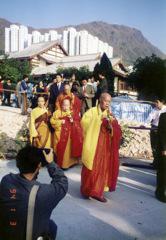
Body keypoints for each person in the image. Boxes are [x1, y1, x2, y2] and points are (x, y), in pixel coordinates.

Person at [0, 146, 68, 240]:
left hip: (6, 233)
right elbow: (62, 183)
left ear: (18, 163)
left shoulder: (6, 180)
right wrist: (51, 163)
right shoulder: (43, 193)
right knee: (52, 226)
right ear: (39, 165)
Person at [80, 93, 122, 202]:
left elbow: (117, 130)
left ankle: (97, 192)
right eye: (106, 101)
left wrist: (111, 127)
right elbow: (83, 125)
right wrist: (99, 121)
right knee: (90, 169)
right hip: (93, 145)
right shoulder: (92, 112)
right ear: (100, 100)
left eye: (109, 101)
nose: (107, 103)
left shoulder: (110, 115)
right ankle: (86, 190)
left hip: (105, 148)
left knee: (102, 169)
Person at [50, 98, 83, 169]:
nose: (65, 107)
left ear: (70, 105)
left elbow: (78, 124)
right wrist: (60, 122)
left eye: (67, 105)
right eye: (64, 105)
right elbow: (52, 122)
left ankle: (69, 163)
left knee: (68, 150)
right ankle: (61, 164)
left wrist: (72, 120)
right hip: (59, 134)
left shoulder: (72, 113)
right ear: (61, 105)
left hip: (69, 135)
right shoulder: (57, 112)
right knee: (60, 149)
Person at [146, 98, 166, 168]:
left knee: (160, 146)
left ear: (162, 102)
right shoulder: (154, 109)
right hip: (154, 128)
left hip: (162, 130)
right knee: (153, 146)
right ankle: (155, 161)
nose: (156, 104)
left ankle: (160, 162)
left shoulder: (165, 109)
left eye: (157, 102)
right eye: (155, 102)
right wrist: (144, 124)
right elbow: (149, 118)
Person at [155, 112, 166, 202]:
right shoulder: (163, 116)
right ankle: (159, 193)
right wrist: (164, 149)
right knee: (162, 172)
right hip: (164, 150)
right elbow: (161, 133)